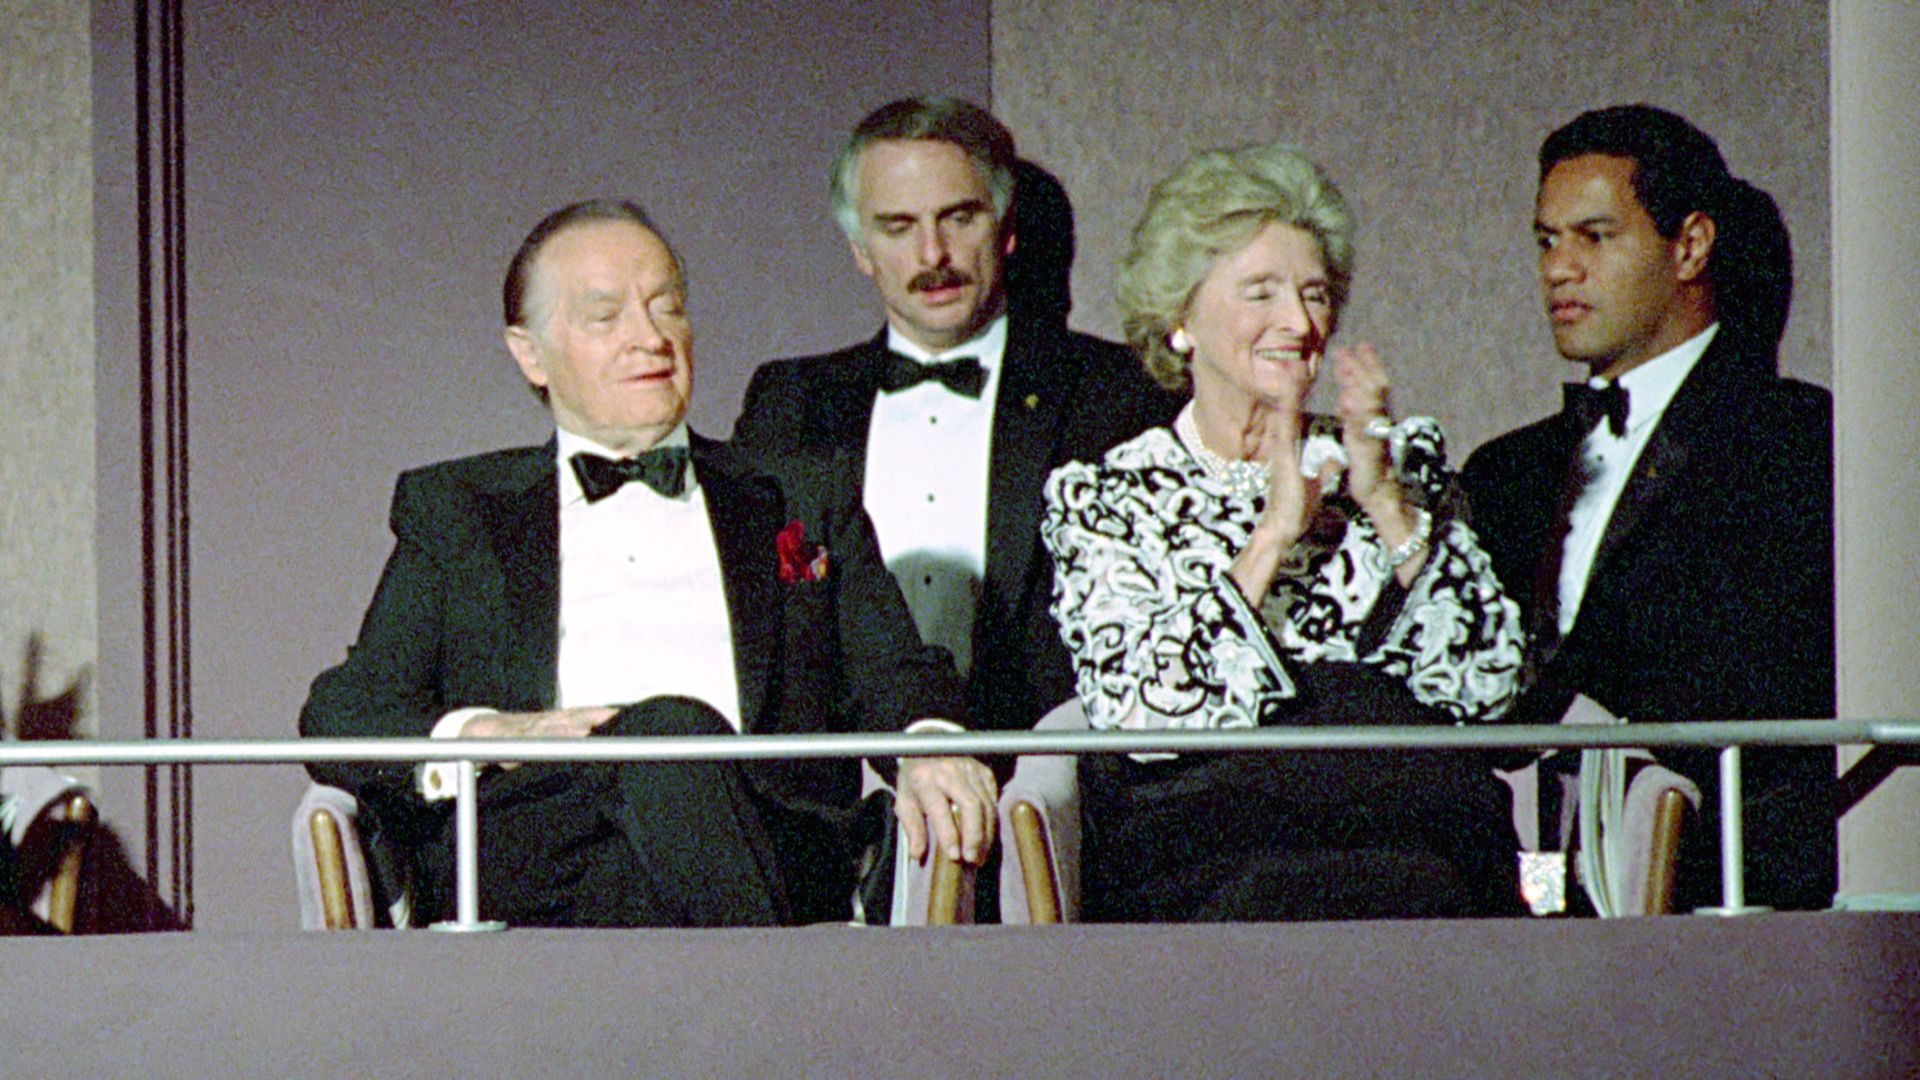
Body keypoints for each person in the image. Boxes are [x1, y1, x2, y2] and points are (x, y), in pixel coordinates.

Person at [299, 200, 997, 928]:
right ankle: (780, 1018)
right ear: (529, 352)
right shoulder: (460, 509)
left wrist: (931, 746)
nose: (650, 338)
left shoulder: (797, 493)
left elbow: (896, 668)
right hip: (536, 844)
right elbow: (345, 710)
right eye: (606, 318)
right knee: (660, 738)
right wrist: (497, 734)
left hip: (762, 833)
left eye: (668, 307)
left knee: (665, 748)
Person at [1040, 143, 1526, 922]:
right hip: (1215, 859)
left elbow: (1492, 689)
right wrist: (1273, 534)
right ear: (1180, 321)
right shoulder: (1111, 497)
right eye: (1260, 293)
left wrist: (1387, 506)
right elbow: (1143, 717)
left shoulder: (1399, 465)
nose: (1300, 324)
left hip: (1419, 847)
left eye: (1315, 294)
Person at [1460, 105, 1835, 912]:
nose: (1560, 268)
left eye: (1594, 236)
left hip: (1731, 902)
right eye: (1546, 240)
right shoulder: (1503, 472)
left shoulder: (1805, 445)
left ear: (1690, 245)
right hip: (1512, 916)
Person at [732, 96, 1179, 738]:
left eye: (958, 218)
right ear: (860, 249)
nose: (932, 253)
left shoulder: (1116, 393)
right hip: (841, 790)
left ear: (1005, 227)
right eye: (897, 226)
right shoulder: (791, 400)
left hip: (1050, 776)